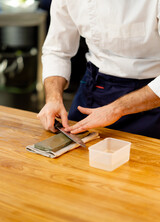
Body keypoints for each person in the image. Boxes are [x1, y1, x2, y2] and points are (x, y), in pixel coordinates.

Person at [38, 0, 160, 139]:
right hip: (95, 87)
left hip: (152, 95)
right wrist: (53, 99)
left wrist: (116, 109)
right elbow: (57, 51)